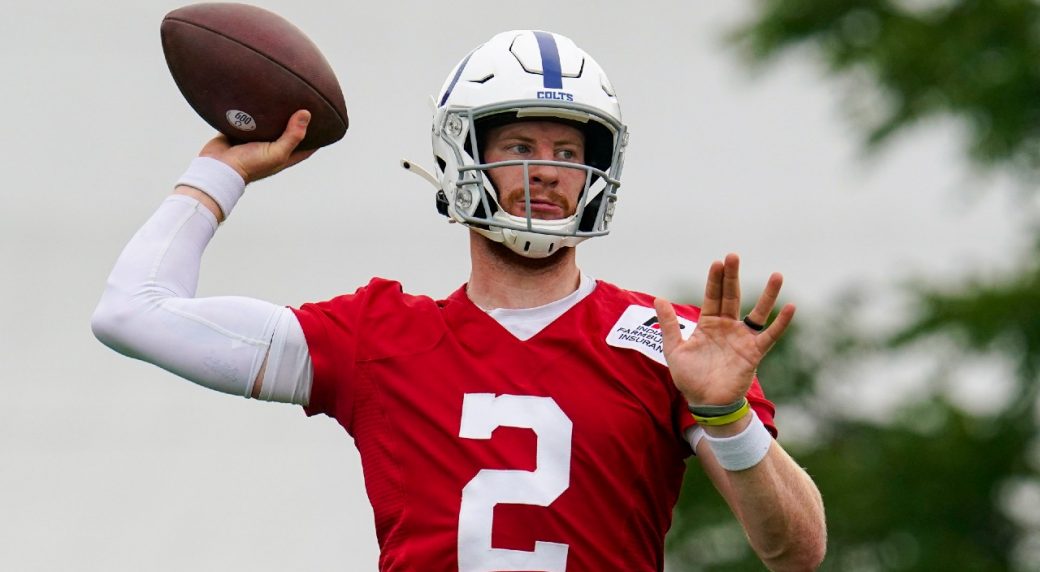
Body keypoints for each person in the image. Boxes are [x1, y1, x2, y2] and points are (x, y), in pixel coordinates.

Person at [92, 30, 826, 571]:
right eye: (519, 147)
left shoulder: (667, 341)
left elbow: (795, 551)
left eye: (569, 153)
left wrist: (726, 417)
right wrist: (218, 174)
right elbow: (133, 312)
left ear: (598, 170)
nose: (546, 171)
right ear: (462, 156)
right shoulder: (376, 336)